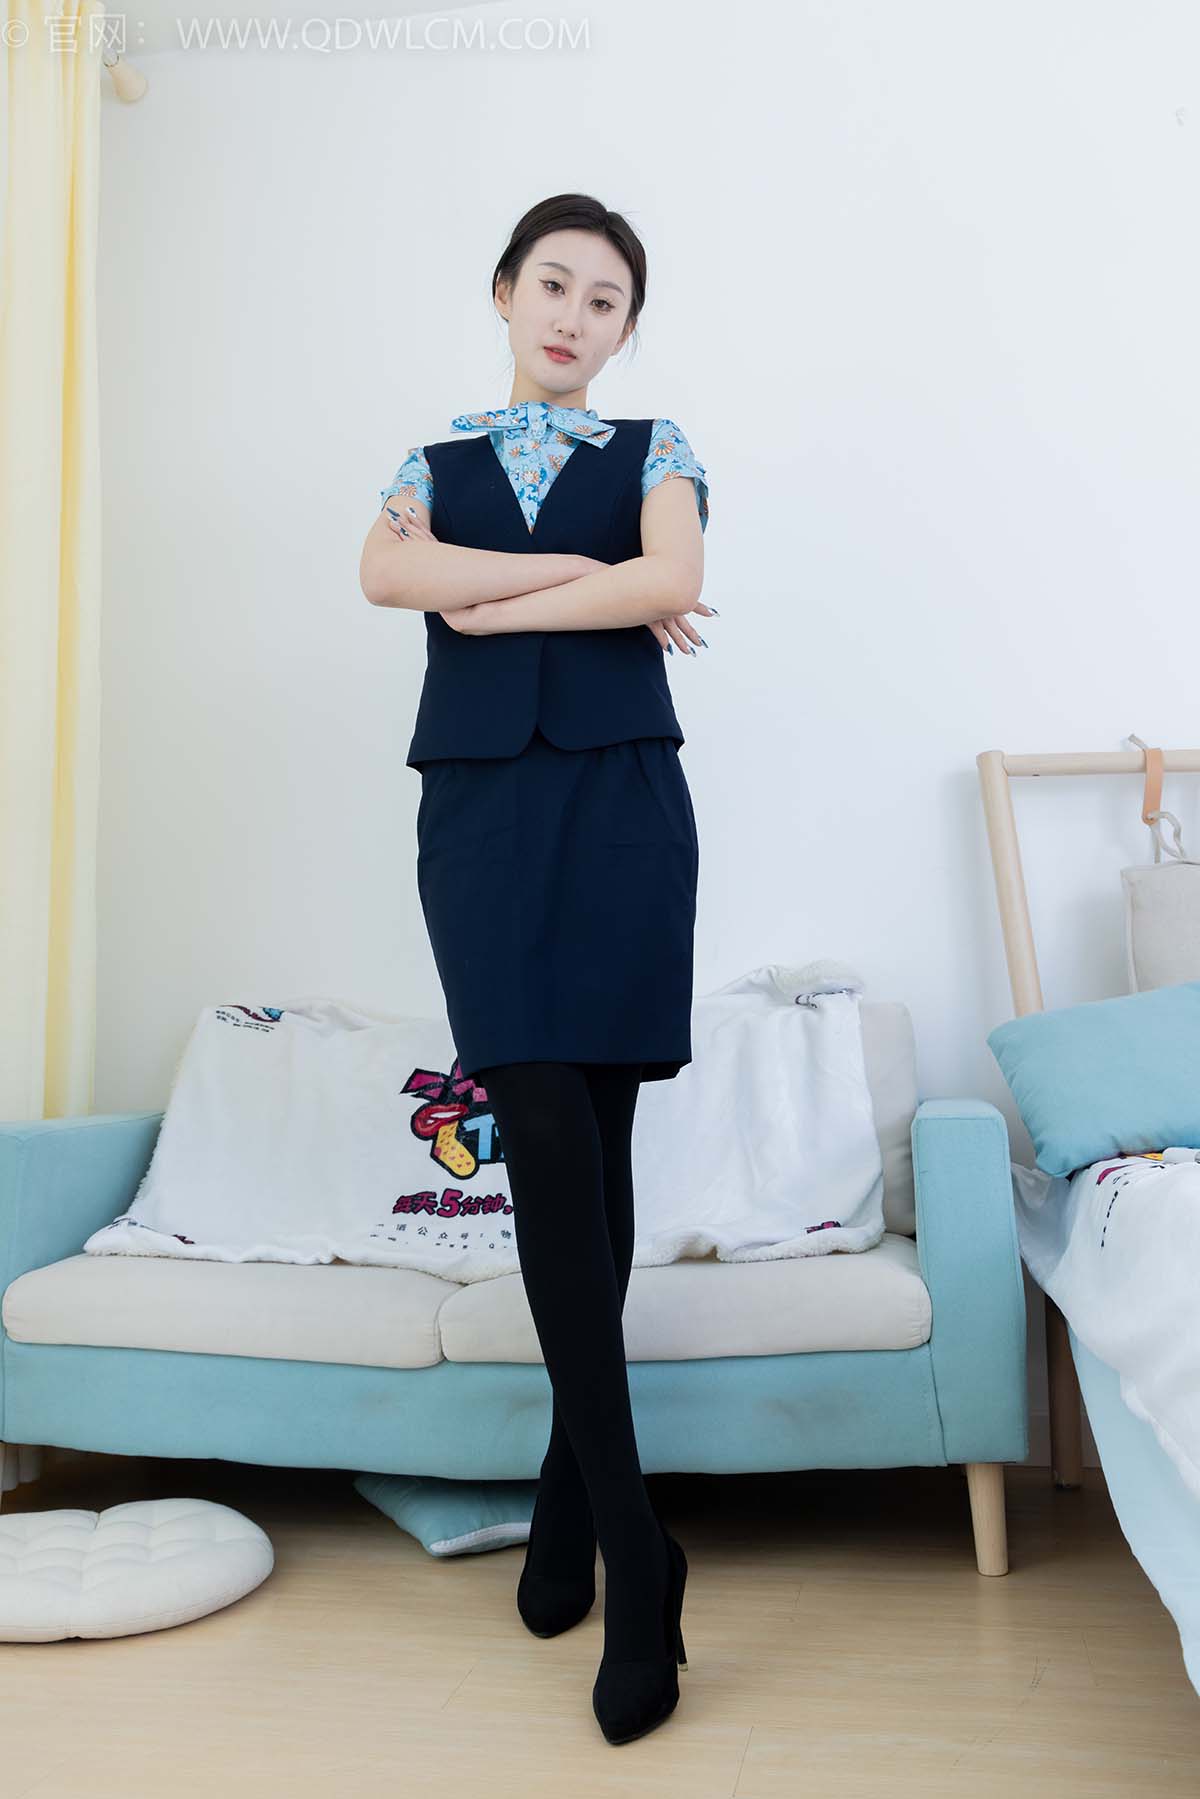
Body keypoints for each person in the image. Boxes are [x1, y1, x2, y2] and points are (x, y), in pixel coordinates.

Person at [358, 192, 713, 1746]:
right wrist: (585, 572)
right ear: (503, 293)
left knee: (599, 1148)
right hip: (482, 815)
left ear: (627, 331)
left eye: (606, 298)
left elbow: (669, 582)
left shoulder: (660, 448)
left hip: (623, 808)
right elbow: (385, 580)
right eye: (553, 285)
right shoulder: (427, 464)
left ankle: (573, 1500)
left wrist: (490, 594)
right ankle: (639, 1544)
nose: (574, 315)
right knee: (543, 1127)